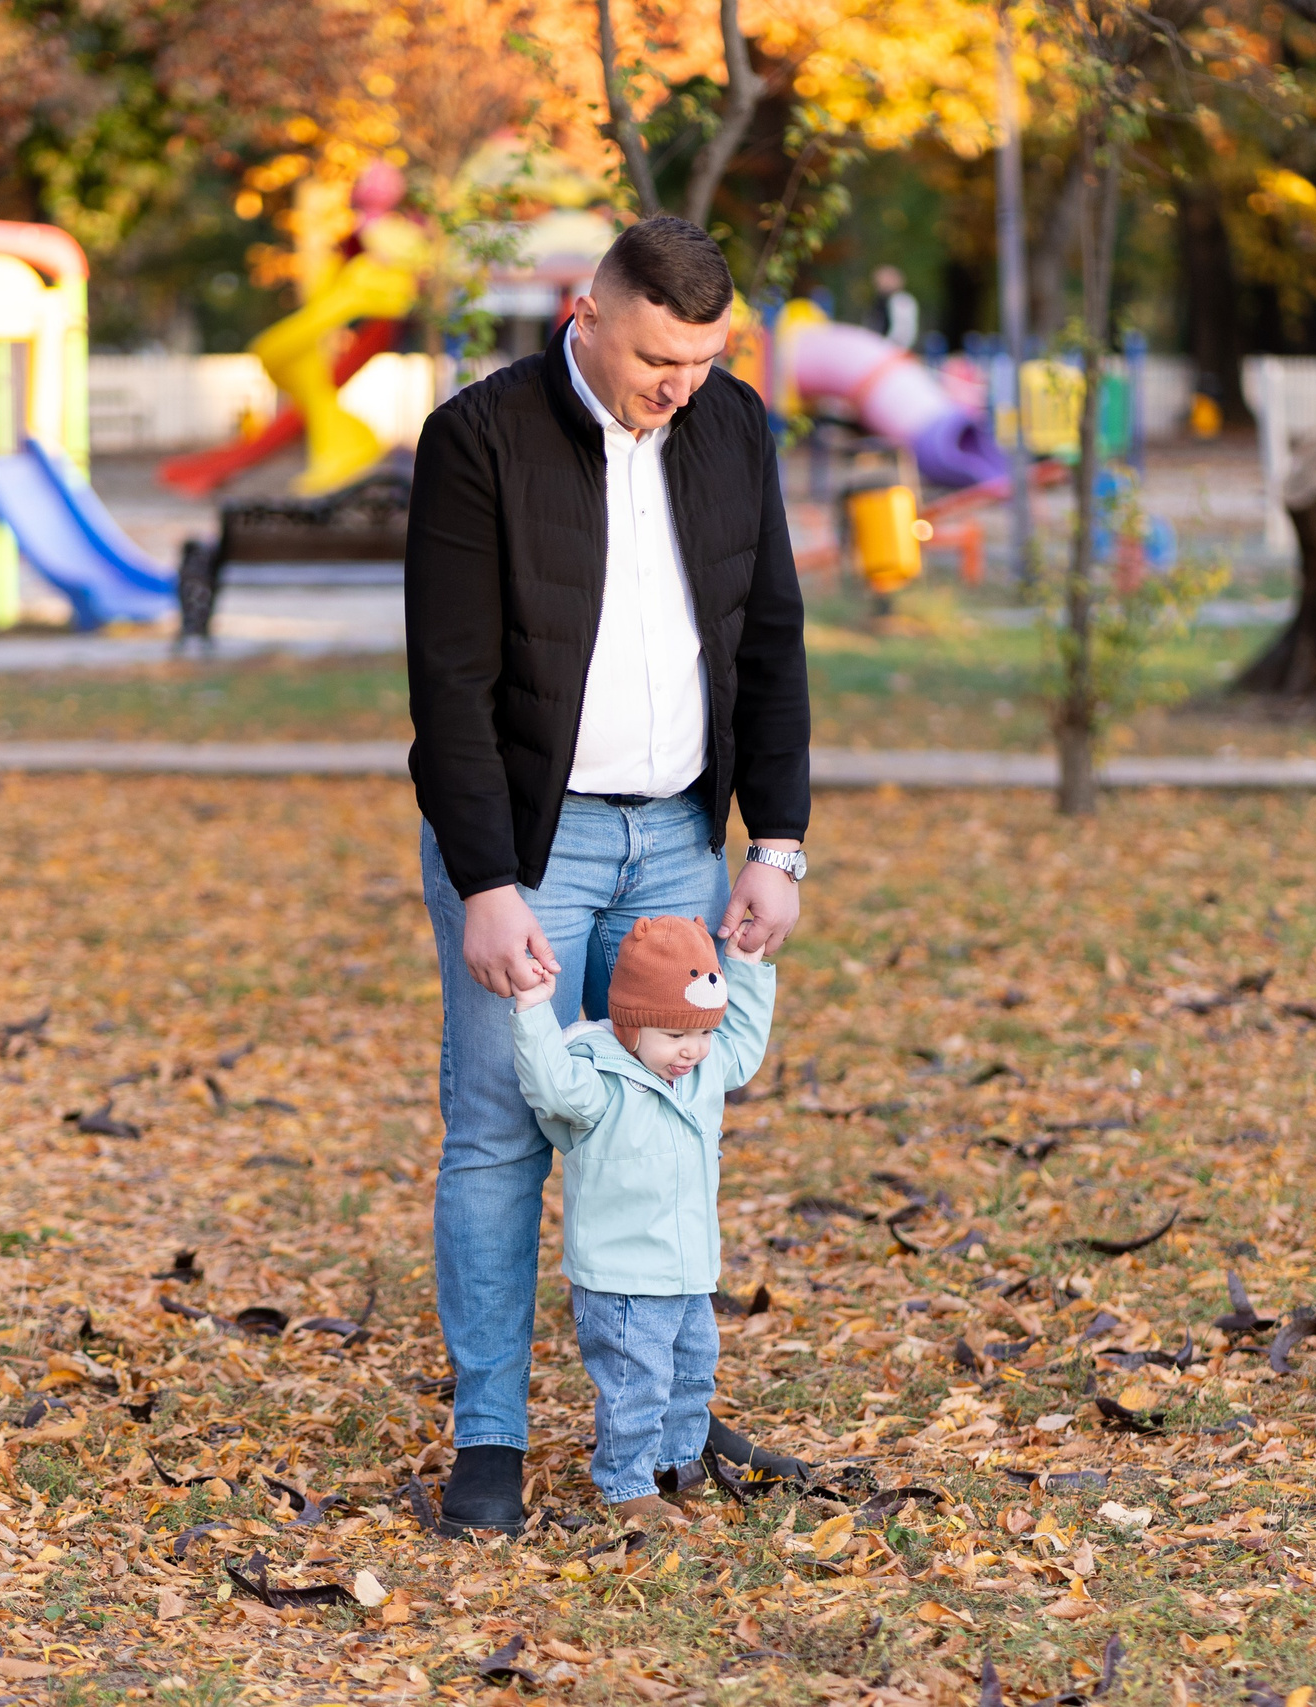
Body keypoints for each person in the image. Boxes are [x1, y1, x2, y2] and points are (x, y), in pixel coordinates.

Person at [403, 215, 812, 1535]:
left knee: (671, 1121)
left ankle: (661, 1418)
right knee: (502, 1131)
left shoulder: (734, 427)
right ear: (588, 310)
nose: (677, 384)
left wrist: (779, 841)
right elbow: (450, 691)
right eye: (656, 356)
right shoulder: (480, 441)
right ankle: (489, 1436)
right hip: (534, 843)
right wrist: (484, 879)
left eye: (701, 357)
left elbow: (775, 641)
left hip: (680, 840)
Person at [511, 915, 771, 1523]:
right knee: (636, 1385)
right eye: (673, 1034)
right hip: (624, 1276)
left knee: (691, 1375)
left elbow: (744, 1048)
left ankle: (676, 1466)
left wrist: (750, 969)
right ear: (629, 1026)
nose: (692, 1050)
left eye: (702, 1033)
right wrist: (531, 1007)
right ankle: (629, 1488)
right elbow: (550, 1087)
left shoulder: (703, 1070)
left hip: (689, 1270)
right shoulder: (601, 1082)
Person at [871, 265, 920, 351]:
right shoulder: (880, 301)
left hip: (892, 351)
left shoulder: (901, 300)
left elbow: (903, 331)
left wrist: (889, 348)